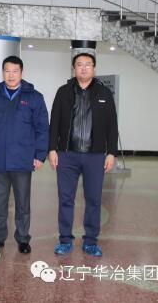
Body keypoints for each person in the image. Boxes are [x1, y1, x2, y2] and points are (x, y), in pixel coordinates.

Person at [48, 52, 119, 257]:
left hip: (95, 156)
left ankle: (91, 241)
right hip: (67, 155)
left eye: (88, 64)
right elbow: (54, 122)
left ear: (94, 68)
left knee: (94, 199)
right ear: (74, 68)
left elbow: (112, 125)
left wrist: (111, 152)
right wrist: (52, 149)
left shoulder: (104, 93)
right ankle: (65, 240)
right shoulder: (63, 92)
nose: (84, 68)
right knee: (65, 199)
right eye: (79, 64)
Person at [0, 55, 49, 254]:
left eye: (15, 71)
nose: (11, 75)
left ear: (22, 72)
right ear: (2, 72)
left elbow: (42, 128)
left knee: (22, 204)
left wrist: (40, 155)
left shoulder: (34, 97)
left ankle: (23, 238)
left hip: (22, 159)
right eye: (7, 71)